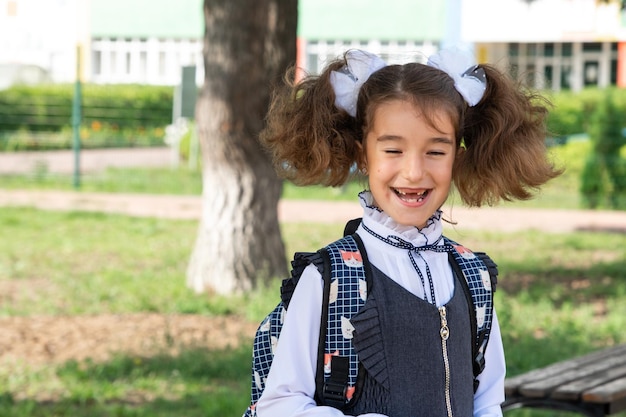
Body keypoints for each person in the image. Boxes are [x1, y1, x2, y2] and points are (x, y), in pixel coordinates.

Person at [255, 48, 562, 417]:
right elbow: (280, 404)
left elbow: (487, 400)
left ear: (457, 159)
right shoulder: (331, 279)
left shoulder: (473, 278)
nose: (414, 172)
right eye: (393, 150)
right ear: (364, 155)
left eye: (435, 152)